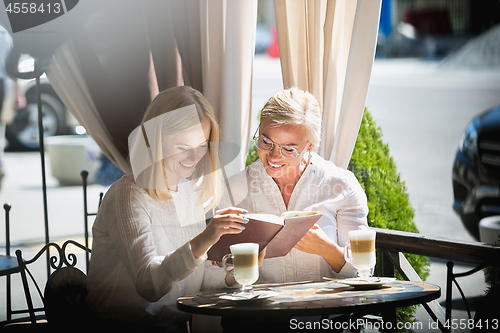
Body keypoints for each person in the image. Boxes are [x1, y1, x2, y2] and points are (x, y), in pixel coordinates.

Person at [86, 86, 252, 332]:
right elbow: (149, 285)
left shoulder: (186, 192)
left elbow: (192, 276)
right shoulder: (128, 196)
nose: (195, 157)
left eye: (202, 144)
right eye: (183, 147)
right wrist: (205, 238)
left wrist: (234, 275)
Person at [220, 87, 369, 283]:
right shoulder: (233, 189)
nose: (273, 156)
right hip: (259, 312)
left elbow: (365, 271)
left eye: (288, 149)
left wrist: (329, 251)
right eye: (266, 141)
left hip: (329, 311)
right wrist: (238, 271)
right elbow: (212, 275)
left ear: (309, 146)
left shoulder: (342, 185)